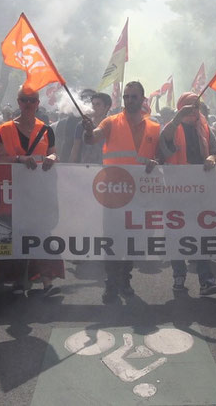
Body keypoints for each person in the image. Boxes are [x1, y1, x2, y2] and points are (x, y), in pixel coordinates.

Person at [82, 80, 160, 303]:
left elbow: (159, 158)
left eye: (133, 97)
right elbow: (92, 138)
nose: (129, 100)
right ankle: (111, 284)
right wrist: (88, 131)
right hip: (113, 194)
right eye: (126, 97)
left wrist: (156, 162)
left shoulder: (154, 127)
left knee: (132, 242)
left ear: (142, 99)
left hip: (140, 196)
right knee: (113, 240)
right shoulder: (110, 122)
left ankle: (125, 279)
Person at [0, 86, 63, 295]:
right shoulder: (5, 129)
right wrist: (19, 159)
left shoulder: (46, 129)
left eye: (32, 100)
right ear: (18, 102)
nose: (28, 104)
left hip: (40, 193)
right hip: (14, 192)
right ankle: (19, 280)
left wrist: (52, 158)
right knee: (18, 235)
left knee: (41, 234)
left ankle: (46, 282)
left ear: (38, 104)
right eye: (24, 100)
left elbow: (53, 155)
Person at [159, 92, 216, 296]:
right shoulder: (172, 127)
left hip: (201, 192)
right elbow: (164, 147)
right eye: (188, 105)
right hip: (175, 191)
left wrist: (214, 158)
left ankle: (206, 279)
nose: (192, 109)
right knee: (176, 233)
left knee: (201, 233)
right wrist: (178, 117)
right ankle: (179, 274)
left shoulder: (206, 128)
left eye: (196, 105)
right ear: (180, 107)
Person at [69, 92, 111, 164]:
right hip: (86, 169)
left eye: (98, 104)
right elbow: (75, 150)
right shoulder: (82, 126)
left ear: (106, 107)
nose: (93, 107)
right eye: (93, 104)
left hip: (105, 169)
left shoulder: (111, 125)